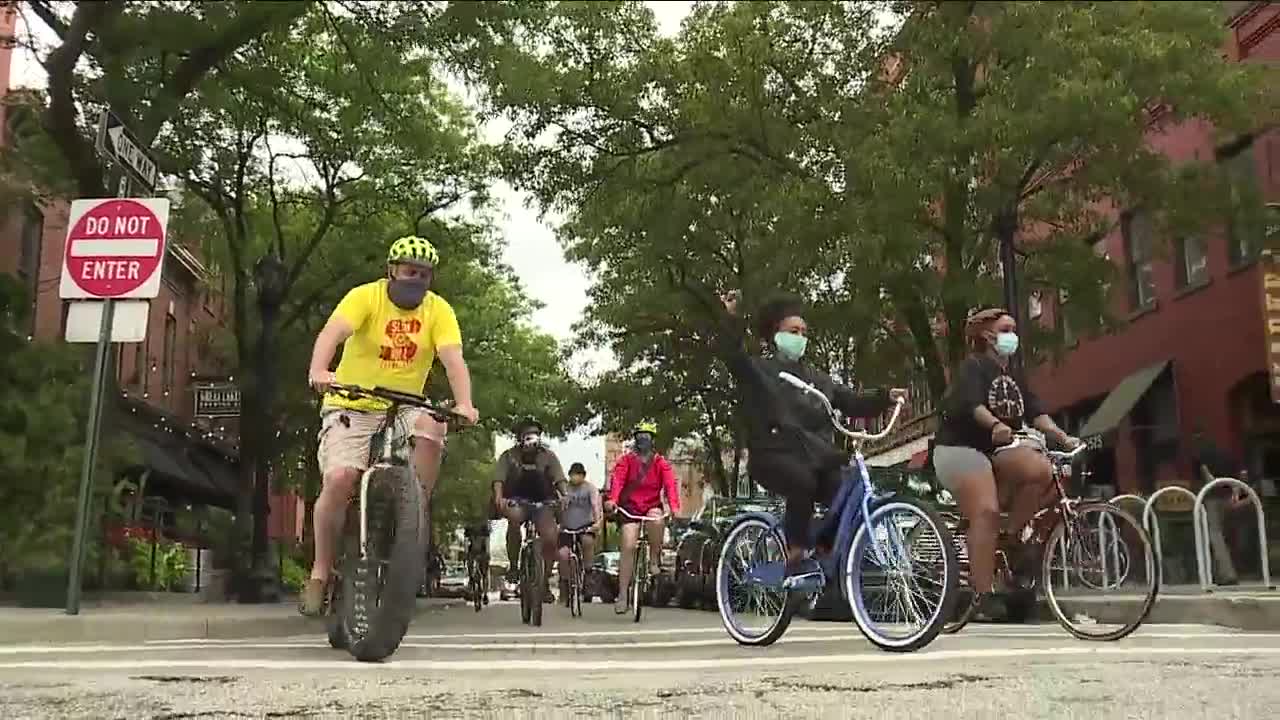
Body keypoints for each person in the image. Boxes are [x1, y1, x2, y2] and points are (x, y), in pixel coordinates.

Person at [301, 235, 479, 616]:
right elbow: (332, 333)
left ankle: (414, 506)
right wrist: (319, 370)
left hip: (404, 407)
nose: (415, 280)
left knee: (434, 424)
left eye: (424, 274)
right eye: (408, 272)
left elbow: (453, 360)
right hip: (353, 401)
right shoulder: (366, 297)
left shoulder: (439, 310)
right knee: (340, 479)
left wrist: (464, 403)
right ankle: (320, 570)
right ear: (391, 271)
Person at [714, 291, 904, 588]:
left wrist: (885, 397)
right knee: (802, 482)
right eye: (793, 332)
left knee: (841, 491)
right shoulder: (762, 371)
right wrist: (731, 319)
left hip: (815, 456)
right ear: (776, 335)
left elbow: (852, 401)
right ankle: (795, 552)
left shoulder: (819, 379)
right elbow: (734, 358)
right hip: (773, 454)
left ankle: (824, 553)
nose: (800, 337)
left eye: (803, 332)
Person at [932, 307, 1078, 621]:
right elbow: (972, 405)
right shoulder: (973, 367)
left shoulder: (1013, 374)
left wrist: (1062, 437)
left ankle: (1009, 537)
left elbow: (1036, 412)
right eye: (1007, 329)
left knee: (1042, 470)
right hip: (959, 448)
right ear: (987, 335)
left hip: (996, 449)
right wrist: (996, 424)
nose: (1013, 335)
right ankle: (981, 596)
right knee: (985, 511)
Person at [606, 422, 681, 614]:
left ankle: (654, 559)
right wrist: (613, 500)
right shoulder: (626, 461)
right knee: (629, 545)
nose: (643, 440)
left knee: (657, 521)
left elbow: (670, 485)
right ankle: (623, 595)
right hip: (630, 507)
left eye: (647, 436)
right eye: (640, 436)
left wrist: (674, 507)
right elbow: (618, 481)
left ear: (652, 440)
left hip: (651, 506)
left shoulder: (660, 463)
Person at [493, 418, 567, 603]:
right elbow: (498, 480)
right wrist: (499, 497)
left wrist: (564, 495)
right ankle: (514, 565)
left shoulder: (548, 456)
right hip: (517, 500)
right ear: (519, 437)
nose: (532, 438)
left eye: (535, 433)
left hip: (543, 501)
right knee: (514, 519)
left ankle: (544, 580)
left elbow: (559, 479)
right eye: (527, 434)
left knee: (550, 537)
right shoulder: (509, 456)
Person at [557, 462, 604, 597]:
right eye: (572, 475)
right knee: (563, 555)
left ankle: (588, 577)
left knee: (587, 542)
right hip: (567, 528)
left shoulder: (590, 489)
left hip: (585, 526)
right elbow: (557, 507)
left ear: (583, 476)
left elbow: (596, 506)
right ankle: (565, 584)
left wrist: (597, 523)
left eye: (577, 475)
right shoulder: (564, 488)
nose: (574, 478)